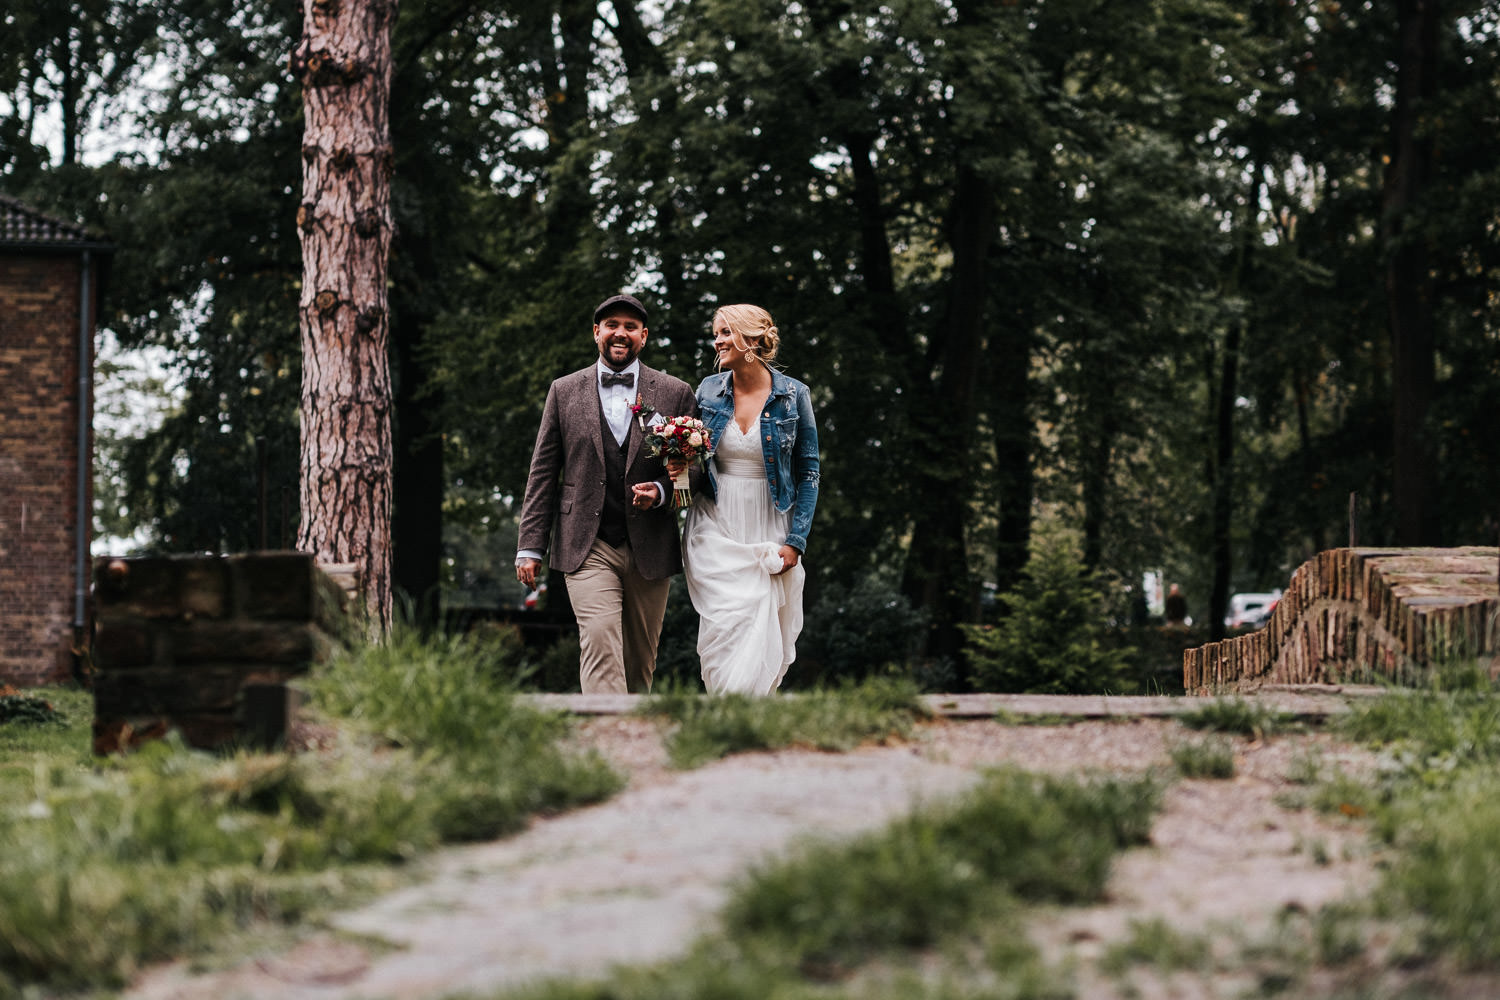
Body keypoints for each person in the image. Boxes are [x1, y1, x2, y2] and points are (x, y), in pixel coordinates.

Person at [515, 293, 698, 693]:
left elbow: (695, 473)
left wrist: (663, 492)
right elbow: (543, 471)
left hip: (650, 543)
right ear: (596, 332)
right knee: (599, 641)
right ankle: (603, 729)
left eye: (631, 327)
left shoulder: (675, 392)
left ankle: (633, 731)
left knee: (638, 664)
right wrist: (530, 546)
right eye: (612, 325)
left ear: (643, 336)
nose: (620, 333)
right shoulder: (563, 391)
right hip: (586, 543)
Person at [678, 303, 820, 694]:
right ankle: (726, 707)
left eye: (726, 332)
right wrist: (677, 470)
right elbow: (692, 463)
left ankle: (747, 712)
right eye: (716, 333)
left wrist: (796, 541)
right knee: (724, 624)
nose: (717, 341)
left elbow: (809, 472)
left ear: (752, 338)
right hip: (715, 521)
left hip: (769, 522)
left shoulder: (794, 395)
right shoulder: (708, 390)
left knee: (761, 624)